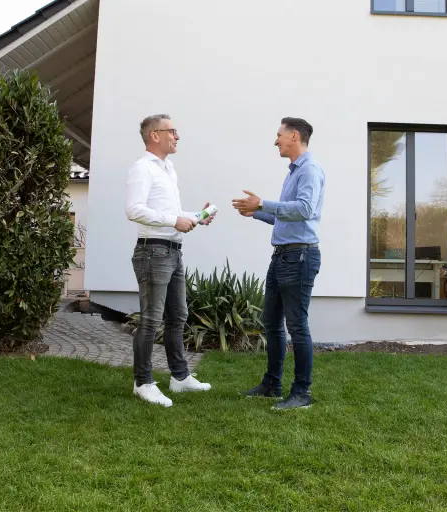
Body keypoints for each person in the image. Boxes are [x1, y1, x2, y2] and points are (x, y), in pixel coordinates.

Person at [232, 117, 325, 410]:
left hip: (299, 257)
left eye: (279, 135)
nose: (276, 141)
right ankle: (272, 384)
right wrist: (255, 212)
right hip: (283, 256)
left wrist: (263, 204)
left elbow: (305, 209)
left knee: (297, 326)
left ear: (294, 136)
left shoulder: (309, 170)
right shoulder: (293, 173)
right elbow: (285, 215)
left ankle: (302, 393)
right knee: (271, 323)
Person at [125, 114, 215, 407]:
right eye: (172, 131)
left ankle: (179, 378)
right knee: (151, 321)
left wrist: (194, 217)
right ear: (154, 135)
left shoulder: (168, 169)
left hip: (172, 251)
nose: (177, 136)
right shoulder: (143, 168)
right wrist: (174, 220)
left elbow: (168, 213)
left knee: (177, 317)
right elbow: (134, 209)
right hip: (153, 251)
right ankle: (143, 382)